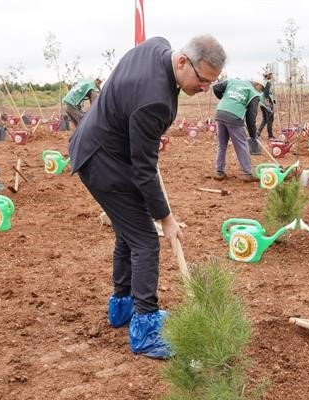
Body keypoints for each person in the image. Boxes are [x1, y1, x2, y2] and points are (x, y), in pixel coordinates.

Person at [68, 35, 225, 358]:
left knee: (129, 233)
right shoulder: (155, 101)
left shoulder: (156, 46)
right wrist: (166, 218)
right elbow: (143, 170)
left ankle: (122, 308)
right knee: (145, 241)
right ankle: (145, 329)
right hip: (103, 163)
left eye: (211, 83)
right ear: (182, 62)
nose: (205, 88)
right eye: (202, 80)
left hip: (104, 149)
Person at [212, 78, 263, 180]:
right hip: (234, 117)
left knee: (221, 145)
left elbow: (216, 87)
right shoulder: (254, 93)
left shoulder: (233, 81)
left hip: (220, 112)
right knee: (242, 145)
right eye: (261, 88)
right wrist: (253, 135)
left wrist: (225, 99)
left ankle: (219, 172)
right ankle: (248, 173)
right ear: (257, 84)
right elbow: (251, 117)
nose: (261, 91)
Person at [257, 71, 276, 140]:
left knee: (265, 118)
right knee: (270, 119)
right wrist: (268, 104)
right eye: (271, 75)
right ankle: (270, 136)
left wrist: (273, 100)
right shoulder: (268, 83)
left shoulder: (262, 82)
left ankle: (258, 132)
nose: (272, 76)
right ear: (268, 76)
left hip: (262, 103)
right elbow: (266, 94)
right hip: (266, 103)